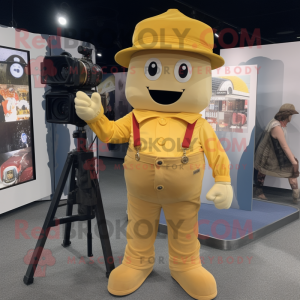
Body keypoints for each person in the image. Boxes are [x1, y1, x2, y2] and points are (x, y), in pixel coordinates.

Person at [254, 103, 299, 203]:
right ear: (287, 115)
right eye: (291, 115)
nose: (292, 117)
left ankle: (296, 194)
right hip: (267, 154)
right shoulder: (277, 127)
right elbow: (284, 146)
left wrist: (292, 157)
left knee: (262, 171)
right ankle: (296, 194)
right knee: (264, 170)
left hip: (272, 152)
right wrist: (294, 161)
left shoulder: (277, 123)